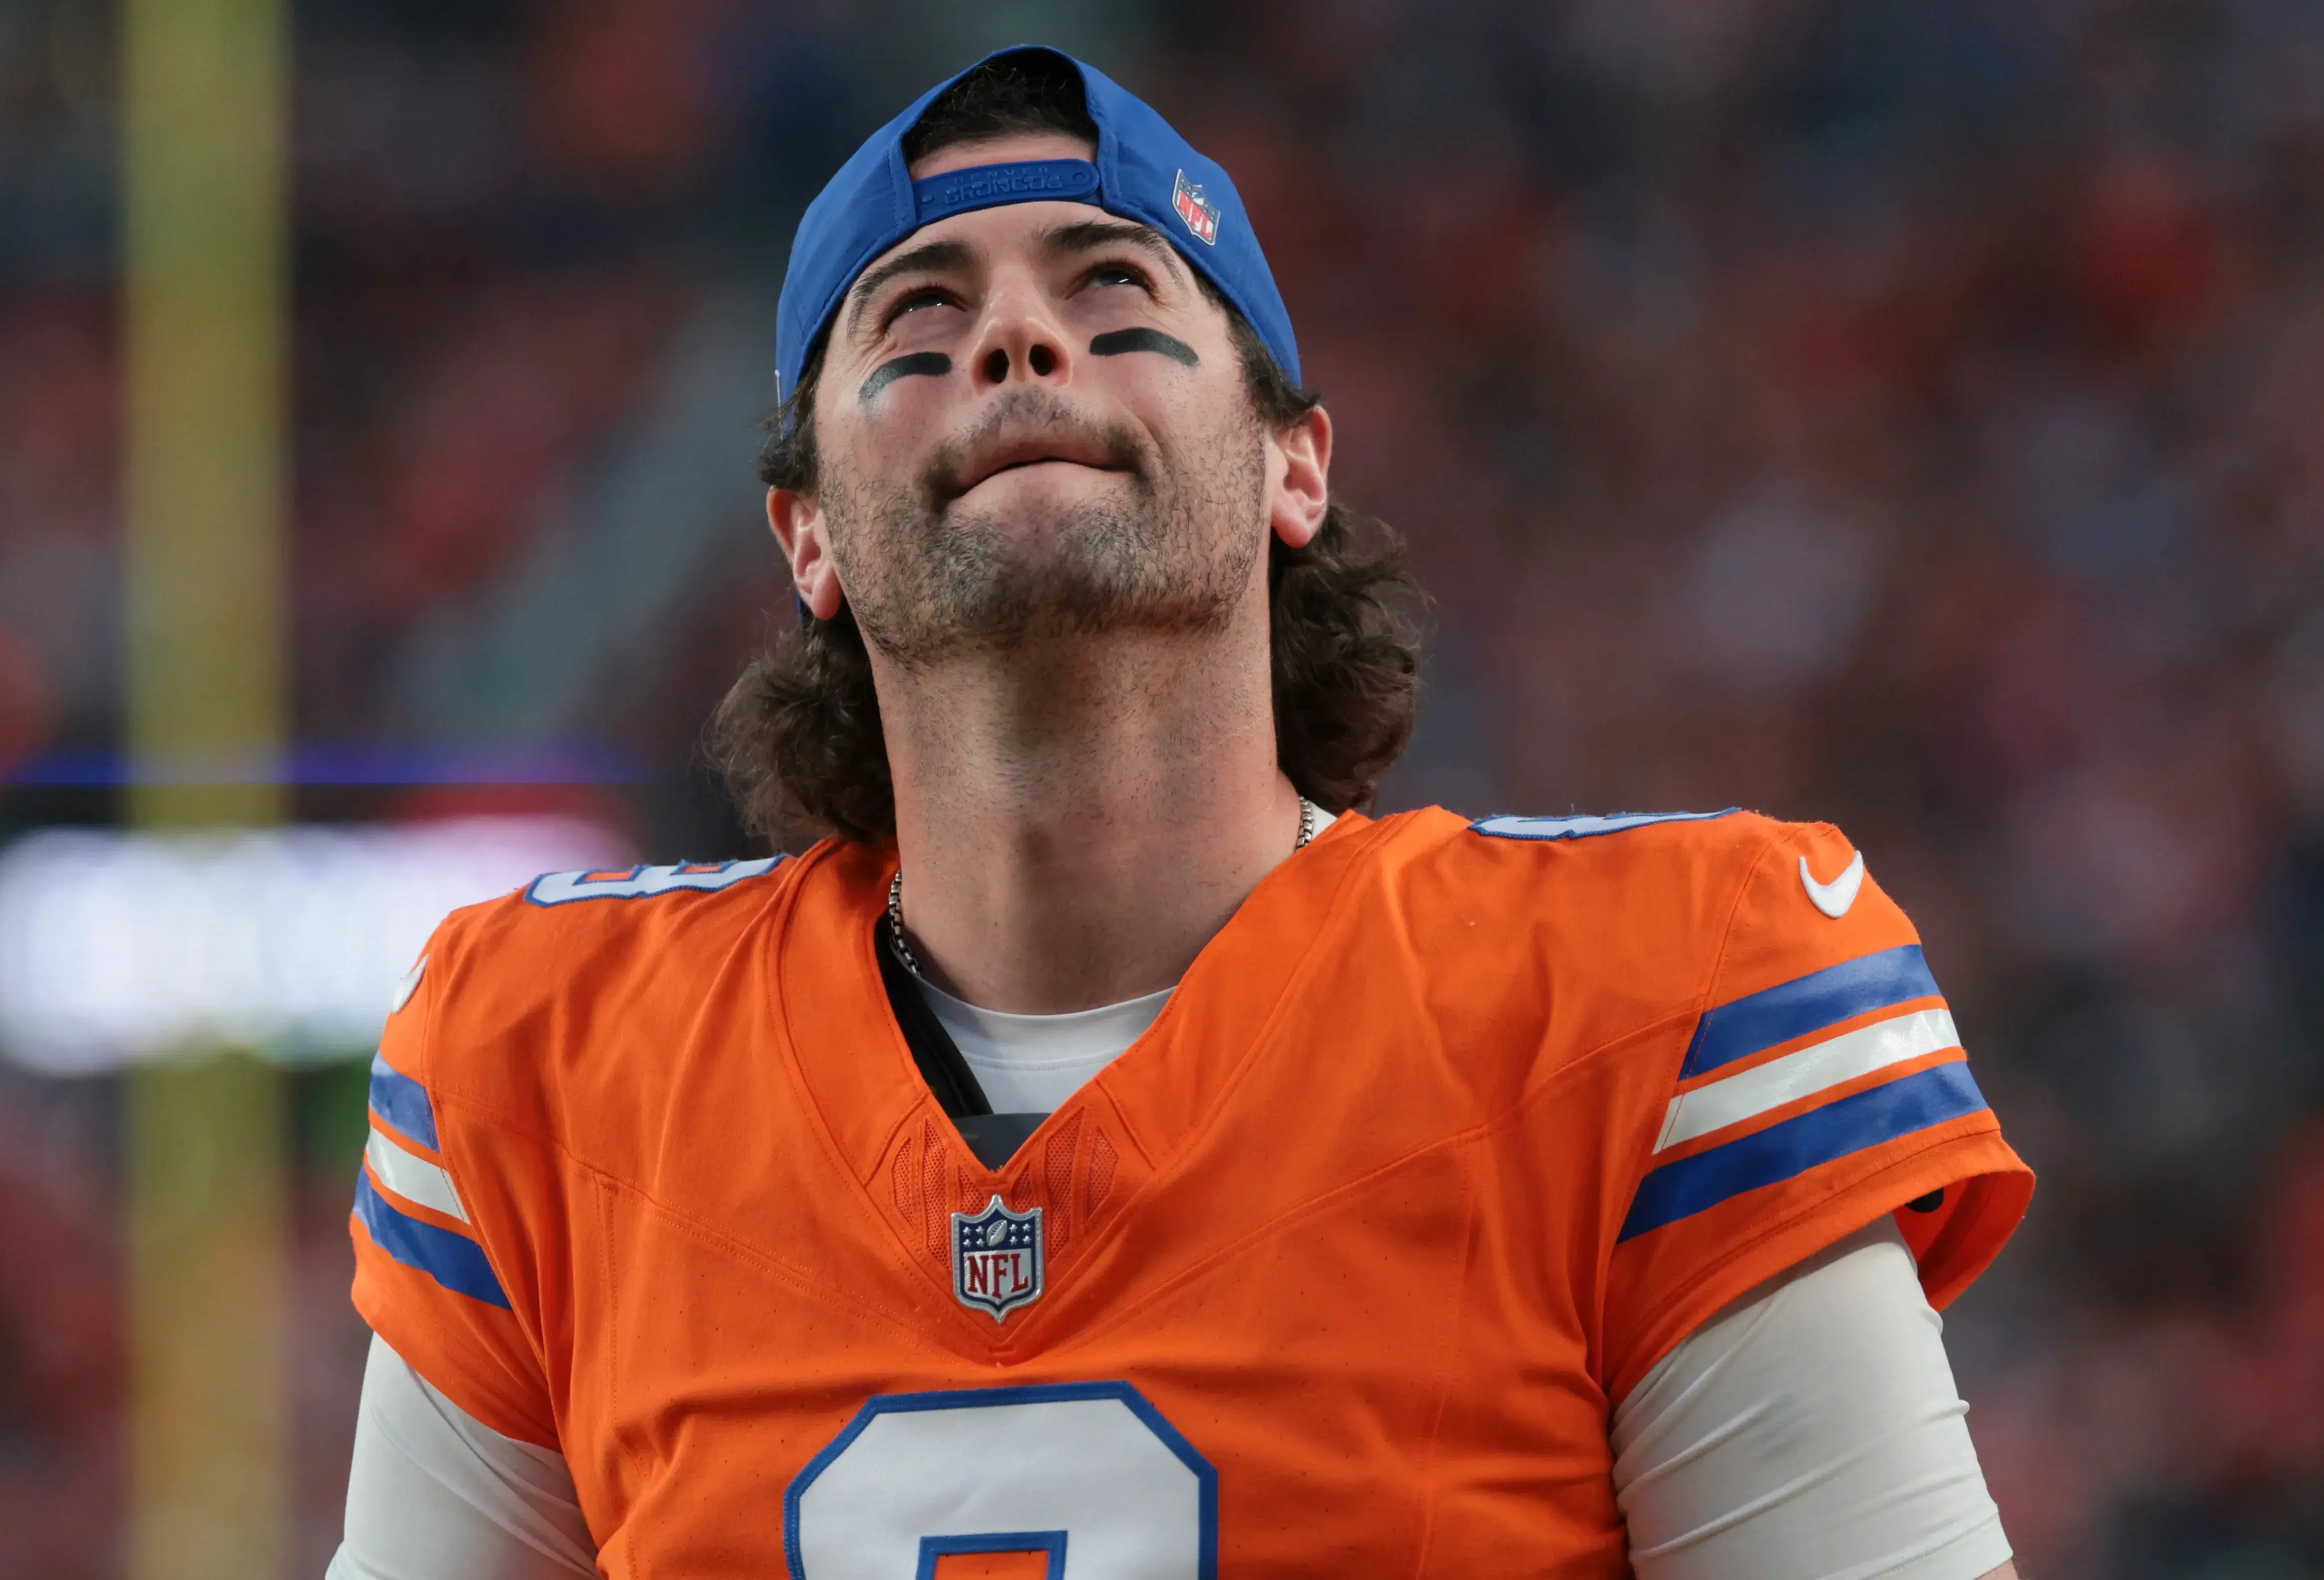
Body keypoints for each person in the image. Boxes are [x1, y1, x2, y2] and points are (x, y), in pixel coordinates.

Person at [331, 46, 2033, 1580]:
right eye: (915, 320)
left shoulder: (1653, 1002)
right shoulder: (553, 1063)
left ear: (1296, 463)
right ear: (808, 537)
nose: (1015, 337)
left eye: (1114, 286)